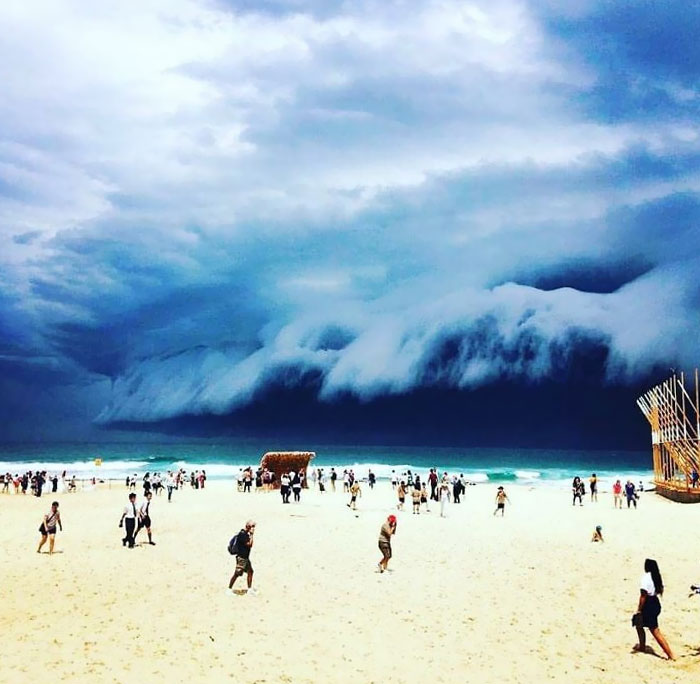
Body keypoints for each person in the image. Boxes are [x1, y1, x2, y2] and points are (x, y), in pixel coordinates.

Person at [632, 558, 674, 660]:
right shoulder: (656, 577)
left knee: (654, 630)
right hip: (655, 602)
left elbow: (643, 595)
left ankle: (671, 655)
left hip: (648, 604)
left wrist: (639, 609)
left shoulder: (646, 578)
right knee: (639, 624)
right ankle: (642, 646)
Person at [227, 520, 256, 595]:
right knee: (237, 574)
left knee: (250, 571)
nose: (253, 528)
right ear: (248, 527)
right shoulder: (242, 535)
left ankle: (249, 590)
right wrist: (252, 535)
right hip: (241, 558)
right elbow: (250, 544)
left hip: (246, 558)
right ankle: (229, 589)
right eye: (252, 526)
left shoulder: (246, 534)